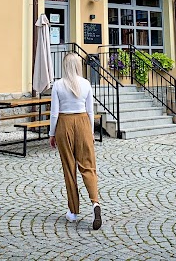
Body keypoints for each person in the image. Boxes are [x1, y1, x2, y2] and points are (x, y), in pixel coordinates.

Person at [49, 52, 102, 230]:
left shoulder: (58, 85)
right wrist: (91, 132)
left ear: (65, 66)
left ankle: (73, 211)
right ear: (79, 66)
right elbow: (90, 111)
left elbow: (54, 112)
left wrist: (52, 133)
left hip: (64, 123)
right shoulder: (86, 84)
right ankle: (95, 203)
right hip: (83, 123)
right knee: (88, 165)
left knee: (69, 168)